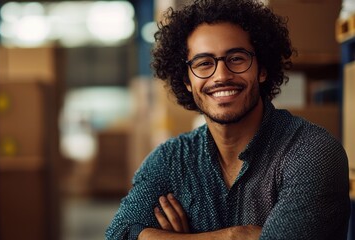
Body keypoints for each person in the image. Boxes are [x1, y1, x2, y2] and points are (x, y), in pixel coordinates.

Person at [105, 0, 351, 239]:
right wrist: (235, 235)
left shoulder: (312, 152)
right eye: (204, 63)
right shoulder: (171, 159)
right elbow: (121, 232)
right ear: (187, 81)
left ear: (262, 69)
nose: (221, 75)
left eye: (236, 58)